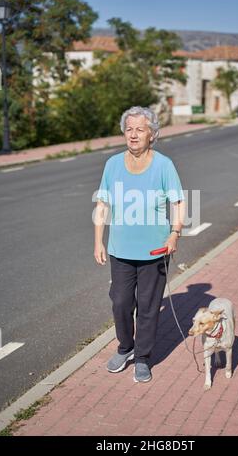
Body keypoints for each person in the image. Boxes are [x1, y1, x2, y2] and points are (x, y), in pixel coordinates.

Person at [94, 106, 185, 383]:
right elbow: (102, 203)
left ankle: (143, 358)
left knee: (148, 306)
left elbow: (178, 202)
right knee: (120, 303)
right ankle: (125, 347)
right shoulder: (112, 165)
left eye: (140, 129)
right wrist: (98, 240)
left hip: (155, 251)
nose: (133, 135)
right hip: (120, 250)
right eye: (129, 129)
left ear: (152, 134)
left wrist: (174, 233)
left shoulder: (163, 165)